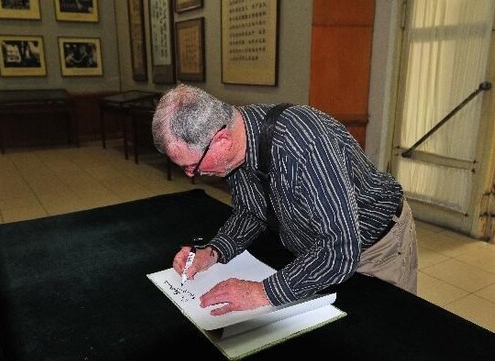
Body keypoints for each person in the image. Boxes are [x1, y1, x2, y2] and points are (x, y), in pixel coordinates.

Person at [152, 84, 418, 316]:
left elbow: (340, 248)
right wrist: (213, 253)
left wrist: (262, 292)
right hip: (315, 250)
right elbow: (251, 210)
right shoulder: (236, 143)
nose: (192, 175)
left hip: (376, 248)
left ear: (221, 139)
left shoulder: (305, 144)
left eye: (191, 166)